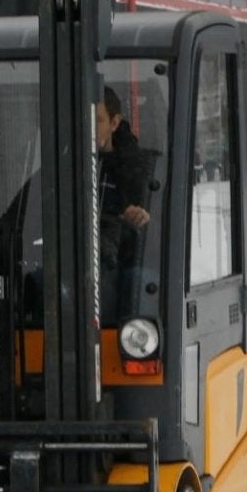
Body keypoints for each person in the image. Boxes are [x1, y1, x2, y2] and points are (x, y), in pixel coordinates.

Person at [96, 86, 152, 319]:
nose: (89, 128)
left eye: (97, 120)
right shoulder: (62, 167)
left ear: (114, 122)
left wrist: (140, 218)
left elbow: (153, 220)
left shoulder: (135, 169)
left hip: (120, 263)